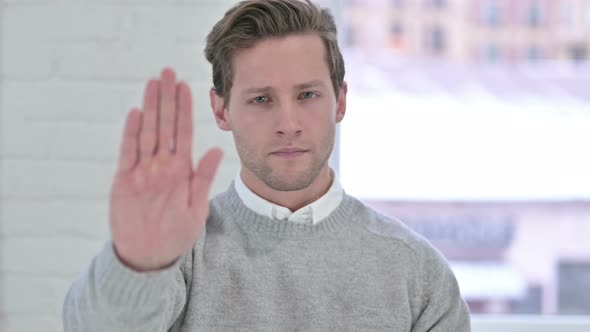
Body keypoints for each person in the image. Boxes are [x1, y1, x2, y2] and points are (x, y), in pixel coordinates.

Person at [62, 0, 471, 330]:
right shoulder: (178, 252)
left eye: (307, 95)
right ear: (221, 110)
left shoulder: (415, 271)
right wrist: (136, 266)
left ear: (340, 101)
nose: (288, 125)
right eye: (261, 99)